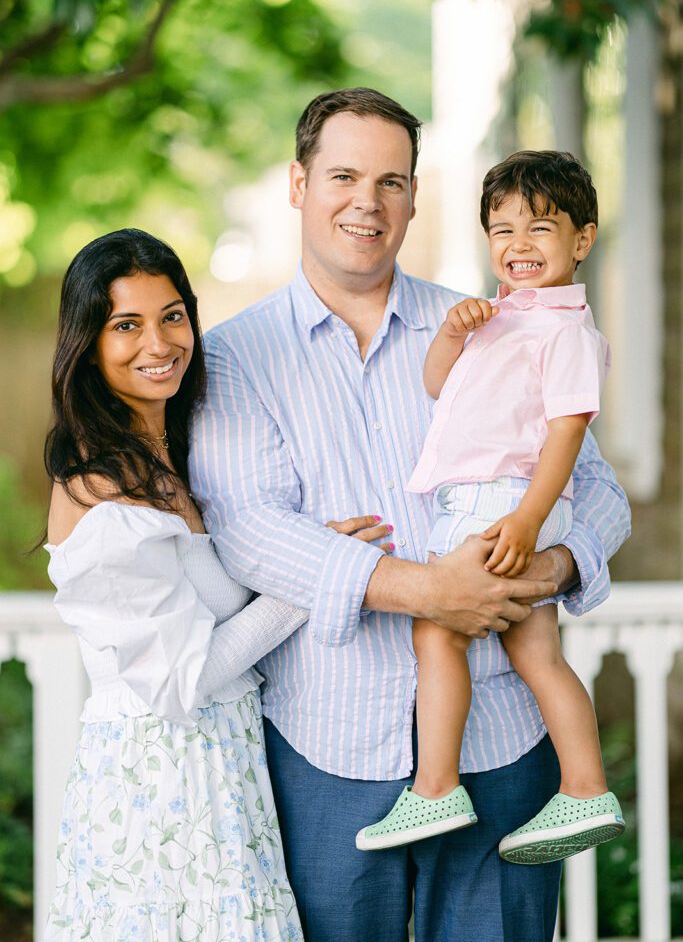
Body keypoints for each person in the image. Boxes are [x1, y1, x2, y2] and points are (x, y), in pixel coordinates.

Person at [189, 89, 631, 942]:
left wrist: (546, 567)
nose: (367, 202)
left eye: (391, 181)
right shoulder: (234, 358)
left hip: (501, 741)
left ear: (415, 198)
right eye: (344, 176)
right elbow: (252, 531)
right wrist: (433, 592)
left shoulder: (490, 322)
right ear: (297, 183)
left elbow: (596, 488)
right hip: (328, 746)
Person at [43, 228, 324, 940]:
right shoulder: (101, 486)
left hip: (224, 773)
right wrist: (315, 575)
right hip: (159, 795)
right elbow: (180, 678)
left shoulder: (171, 455)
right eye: (126, 325)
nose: (159, 343)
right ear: (88, 343)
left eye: (172, 316)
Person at [355, 150, 625, 864]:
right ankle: (584, 789)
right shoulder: (508, 318)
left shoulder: (563, 330)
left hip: (501, 499)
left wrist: (530, 518)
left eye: (540, 228)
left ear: (581, 240)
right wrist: (453, 332)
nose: (518, 245)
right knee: (535, 650)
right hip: (487, 500)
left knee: (437, 632)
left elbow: (566, 432)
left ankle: (435, 785)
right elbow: (439, 385)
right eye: (501, 231)